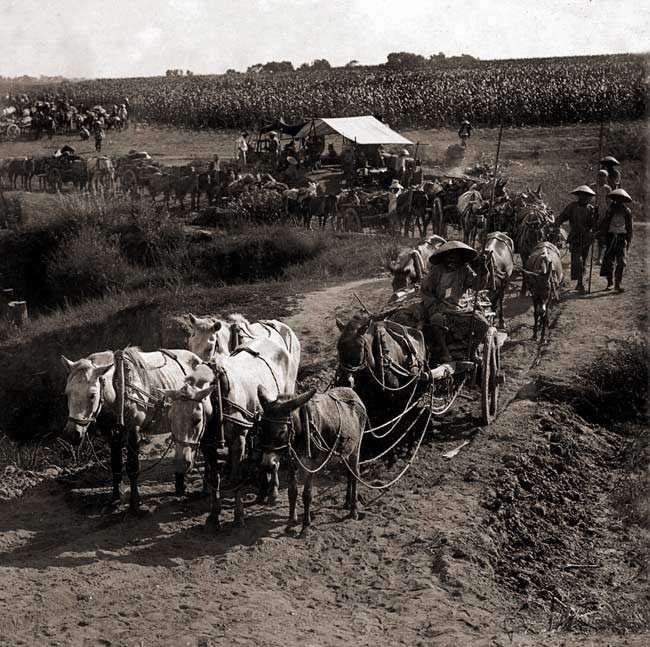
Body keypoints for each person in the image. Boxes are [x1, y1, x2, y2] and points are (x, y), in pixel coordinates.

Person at [421, 241, 489, 364]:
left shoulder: (464, 269)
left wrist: (483, 269)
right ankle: (445, 352)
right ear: (444, 257)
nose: (452, 260)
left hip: (462, 309)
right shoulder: (436, 271)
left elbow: (477, 285)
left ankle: (472, 351)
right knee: (436, 321)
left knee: (483, 324)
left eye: (455, 257)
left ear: (460, 258)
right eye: (449, 257)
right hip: (443, 309)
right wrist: (433, 306)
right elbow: (425, 291)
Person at [555, 185, 597, 294]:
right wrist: (556, 223)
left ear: (588, 197)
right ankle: (580, 283)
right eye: (581, 196)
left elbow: (594, 225)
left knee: (583, 261)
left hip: (586, 238)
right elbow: (563, 216)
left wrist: (595, 217)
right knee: (577, 261)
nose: (583, 198)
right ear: (578, 196)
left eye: (585, 196)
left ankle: (580, 283)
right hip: (575, 237)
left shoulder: (591, 209)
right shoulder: (572, 207)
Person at [599, 188, 633, 292]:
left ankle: (618, 284)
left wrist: (629, 239)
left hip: (621, 238)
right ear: (615, 199)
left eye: (621, 199)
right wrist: (603, 237)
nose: (619, 201)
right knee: (609, 261)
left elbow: (629, 227)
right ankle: (610, 283)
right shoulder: (610, 210)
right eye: (617, 199)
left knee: (621, 262)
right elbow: (605, 224)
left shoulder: (627, 211)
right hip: (610, 236)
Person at [592, 169, 612, 264]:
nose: (601, 179)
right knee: (590, 235)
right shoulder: (593, 187)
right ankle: (587, 256)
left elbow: (609, 202)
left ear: (606, 178)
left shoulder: (607, 189)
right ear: (597, 177)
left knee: (601, 236)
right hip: (592, 213)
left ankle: (599, 258)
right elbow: (589, 199)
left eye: (604, 177)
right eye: (600, 177)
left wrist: (608, 214)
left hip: (603, 214)